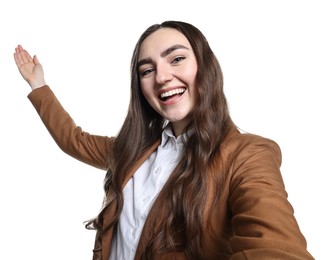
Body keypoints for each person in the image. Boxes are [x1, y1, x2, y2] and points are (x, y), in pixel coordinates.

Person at [14, 20, 314, 260]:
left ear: (205, 67)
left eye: (177, 59)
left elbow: (276, 247)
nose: (161, 77)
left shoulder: (248, 155)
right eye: (147, 70)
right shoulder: (134, 150)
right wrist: (38, 84)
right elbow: (73, 140)